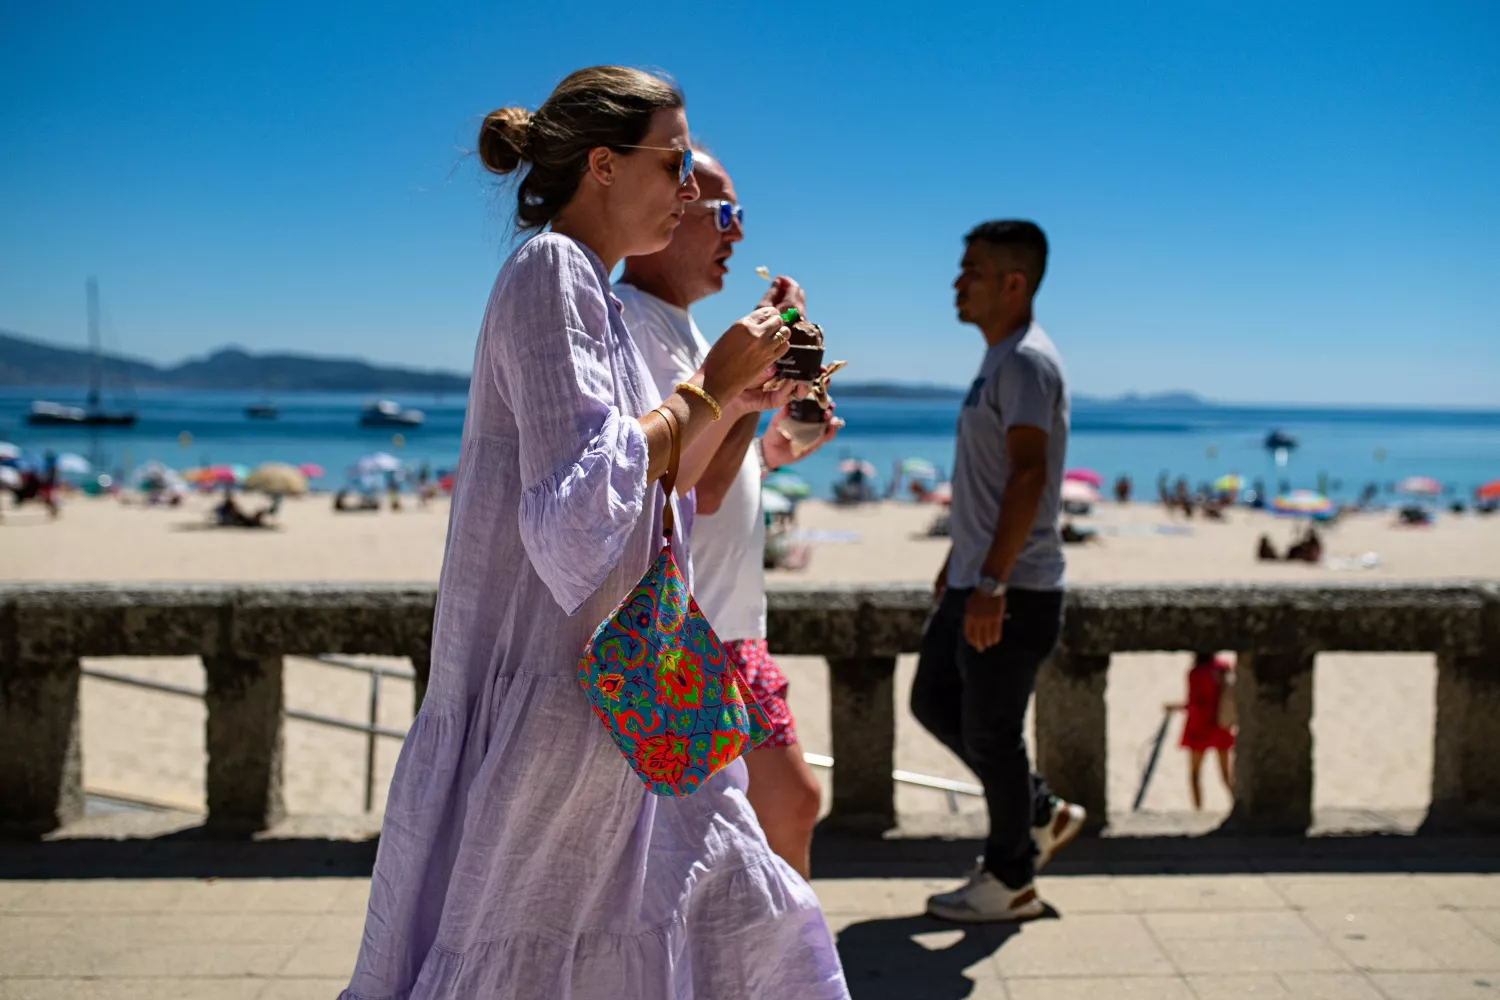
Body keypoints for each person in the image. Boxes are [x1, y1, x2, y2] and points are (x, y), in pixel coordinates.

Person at [340, 67, 847, 1000]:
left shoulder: (596, 294)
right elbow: (575, 515)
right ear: (605, 165)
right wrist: (708, 386)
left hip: (624, 691)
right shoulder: (551, 270)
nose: (692, 190)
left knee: (739, 912)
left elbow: (650, 480)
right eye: (676, 162)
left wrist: (737, 396)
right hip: (573, 698)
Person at [615, 147, 841, 879]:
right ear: (672, 211)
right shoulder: (633, 322)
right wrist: (757, 379)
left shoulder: (680, 328)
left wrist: (771, 442)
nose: (737, 235)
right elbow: (690, 486)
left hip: (722, 622)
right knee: (784, 810)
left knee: (764, 823)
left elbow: (712, 461)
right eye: (725, 214)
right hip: (692, 632)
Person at [912, 220, 1086, 923]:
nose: (958, 282)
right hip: (976, 579)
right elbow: (988, 483)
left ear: (1013, 283)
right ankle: (1038, 811)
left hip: (1012, 590)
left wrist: (991, 583)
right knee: (934, 702)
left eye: (972, 270)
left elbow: (1027, 475)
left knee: (992, 733)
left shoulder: (1025, 363)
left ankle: (1011, 877)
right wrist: (958, 562)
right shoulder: (1001, 359)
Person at [1165, 653, 1236, 809]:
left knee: (1194, 774)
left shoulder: (1196, 673)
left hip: (1199, 727)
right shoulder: (1223, 666)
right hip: (1221, 724)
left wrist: (1176, 707)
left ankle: (1198, 811)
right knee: (1226, 775)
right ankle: (1239, 805)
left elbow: (1195, 704)